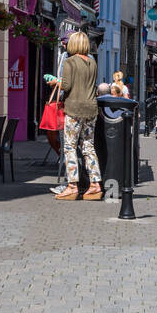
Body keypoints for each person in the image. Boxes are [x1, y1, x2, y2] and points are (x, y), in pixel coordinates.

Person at [48, 31, 103, 200]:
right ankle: (95, 185)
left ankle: (72, 186)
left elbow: (66, 85)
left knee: (70, 147)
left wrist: (54, 82)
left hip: (74, 109)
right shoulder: (92, 62)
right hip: (91, 108)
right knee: (88, 146)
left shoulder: (70, 61)